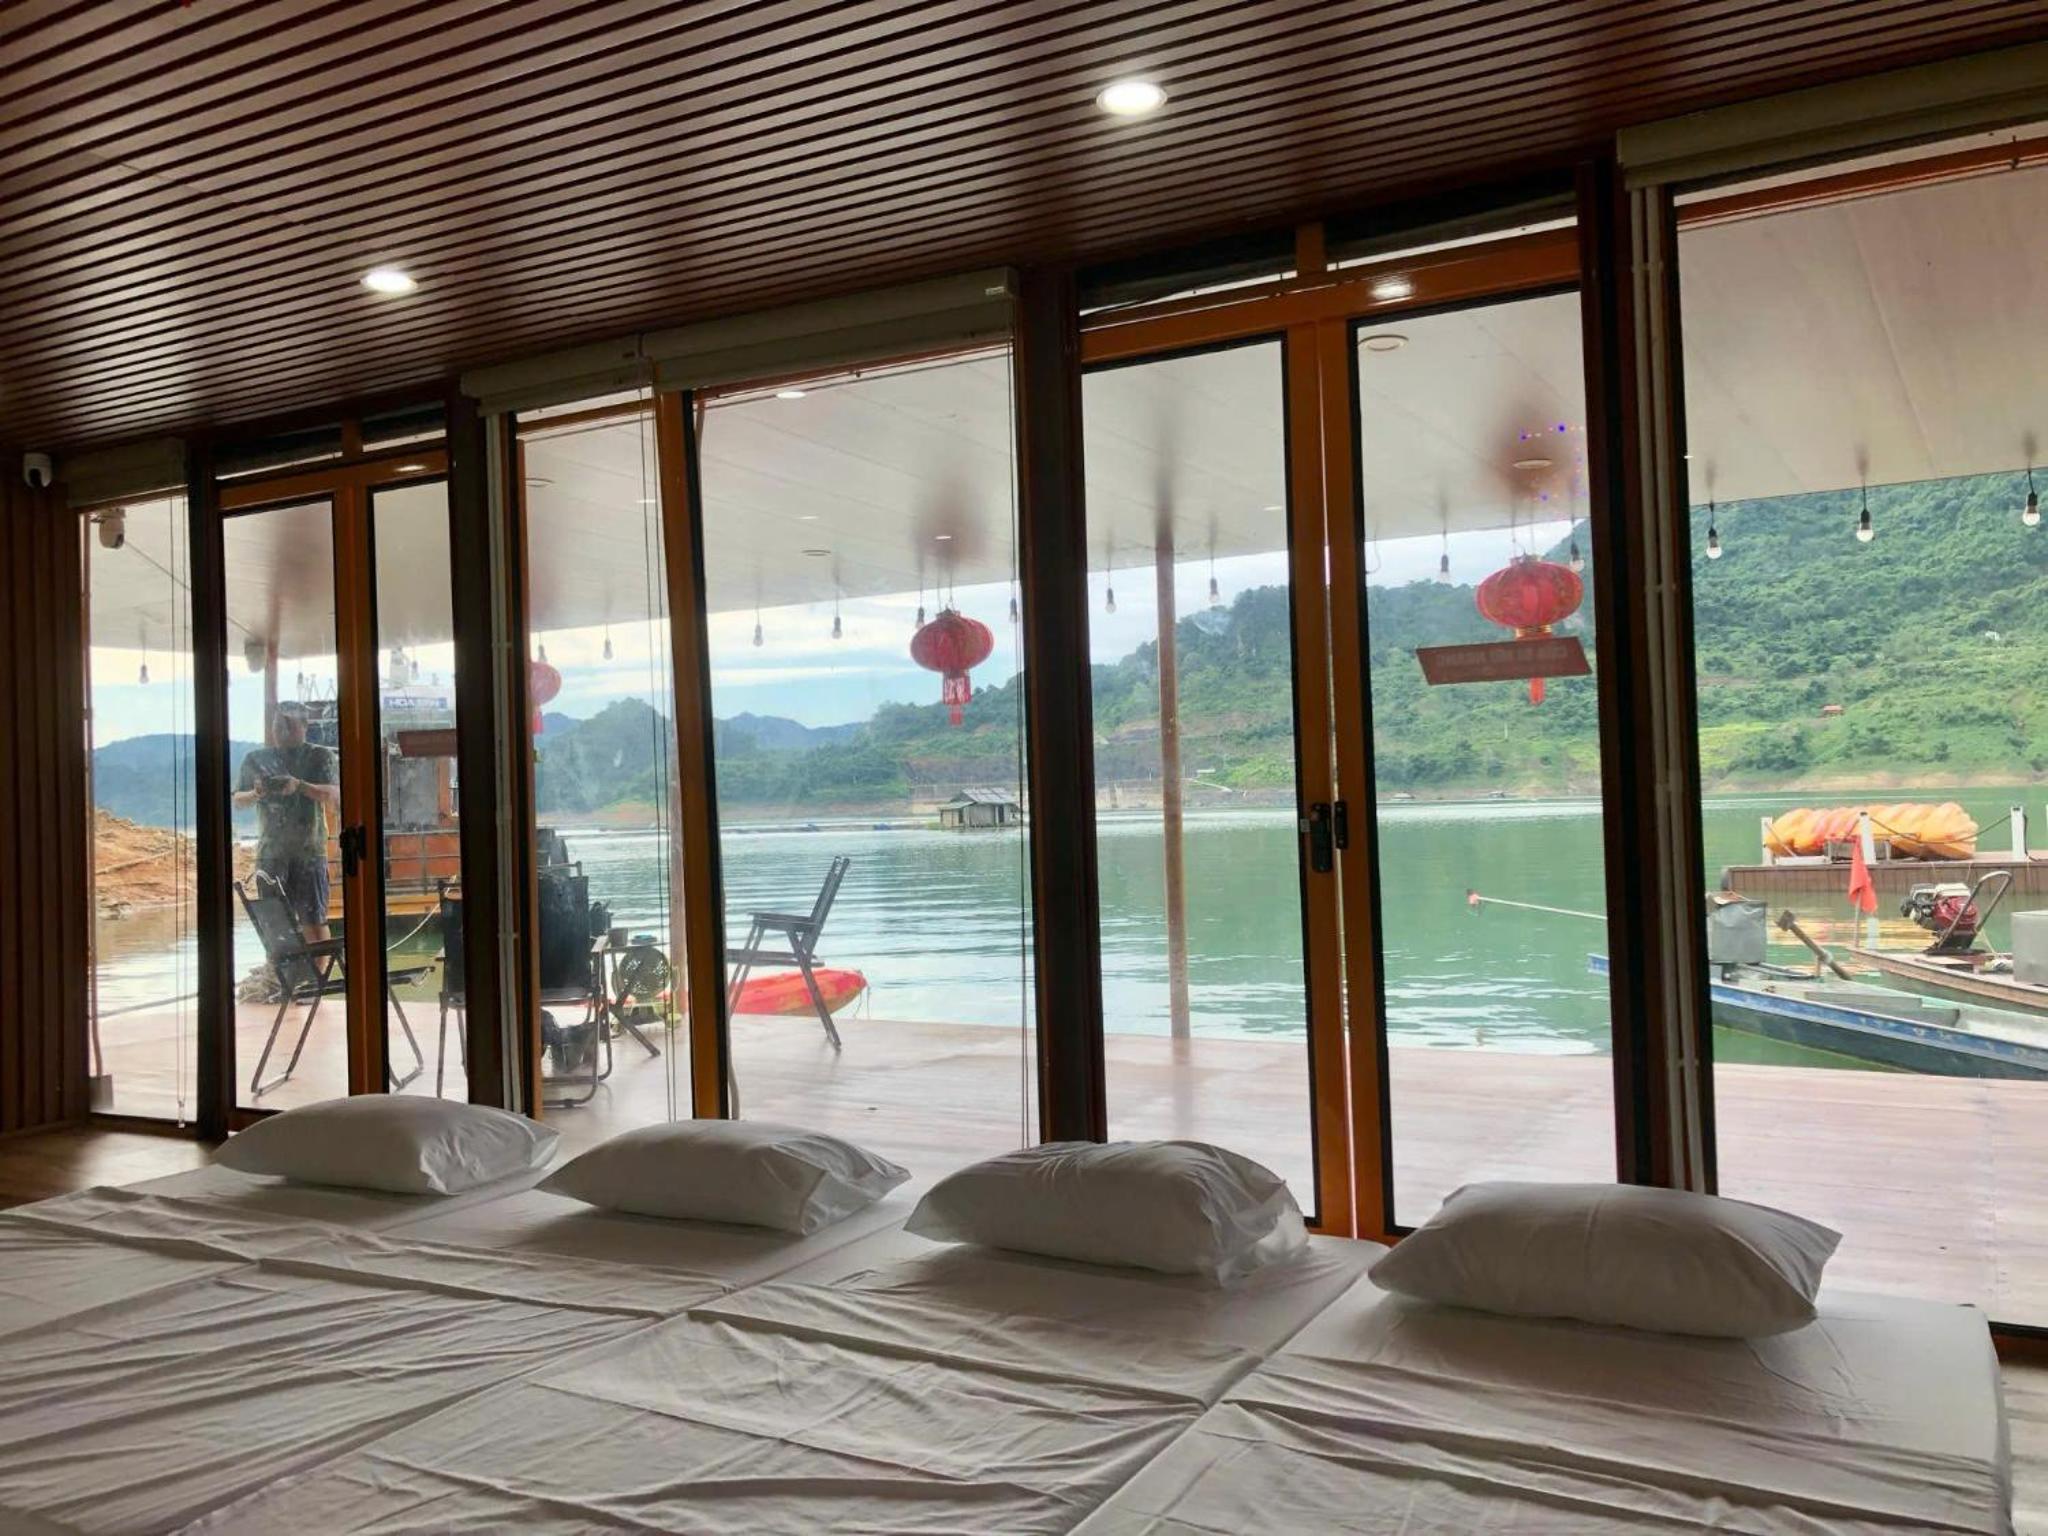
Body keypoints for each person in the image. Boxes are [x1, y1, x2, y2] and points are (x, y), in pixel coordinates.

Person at [233, 702, 340, 941]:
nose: (282, 732)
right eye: (278, 725)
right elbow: (238, 800)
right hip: (271, 854)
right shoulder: (255, 759)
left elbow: (334, 795)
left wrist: (299, 786)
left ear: (304, 726)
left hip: (309, 853)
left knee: (314, 921)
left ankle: (318, 965)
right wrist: (257, 793)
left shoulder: (320, 756)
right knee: (275, 925)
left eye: (289, 726)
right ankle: (282, 964)